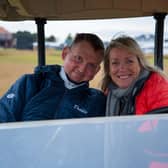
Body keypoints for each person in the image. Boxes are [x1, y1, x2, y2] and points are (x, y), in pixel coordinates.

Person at [0, 33, 106, 122]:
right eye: (78, 58)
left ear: (97, 70)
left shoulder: (97, 101)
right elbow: (4, 122)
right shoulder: (29, 84)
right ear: (65, 54)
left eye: (91, 65)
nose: (82, 69)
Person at [101, 35, 168, 116]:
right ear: (108, 69)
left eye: (129, 61)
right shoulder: (109, 92)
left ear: (140, 63)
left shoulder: (157, 86)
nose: (122, 68)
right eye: (115, 63)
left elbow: (161, 124)